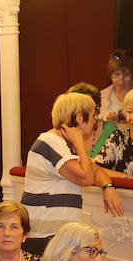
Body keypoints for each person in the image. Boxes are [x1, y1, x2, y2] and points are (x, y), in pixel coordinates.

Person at [21, 91, 124, 238]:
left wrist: (108, 187)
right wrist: (79, 142)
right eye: (93, 115)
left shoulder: (65, 144)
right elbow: (86, 178)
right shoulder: (51, 142)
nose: (95, 121)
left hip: (56, 234)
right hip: (44, 235)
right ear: (80, 117)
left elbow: (96, 171)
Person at [98, 49, 133, 124]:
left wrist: (123, 125)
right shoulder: (101, 96)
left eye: (126, 74)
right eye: (117, 74)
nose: (121, 79)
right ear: (110, 75)